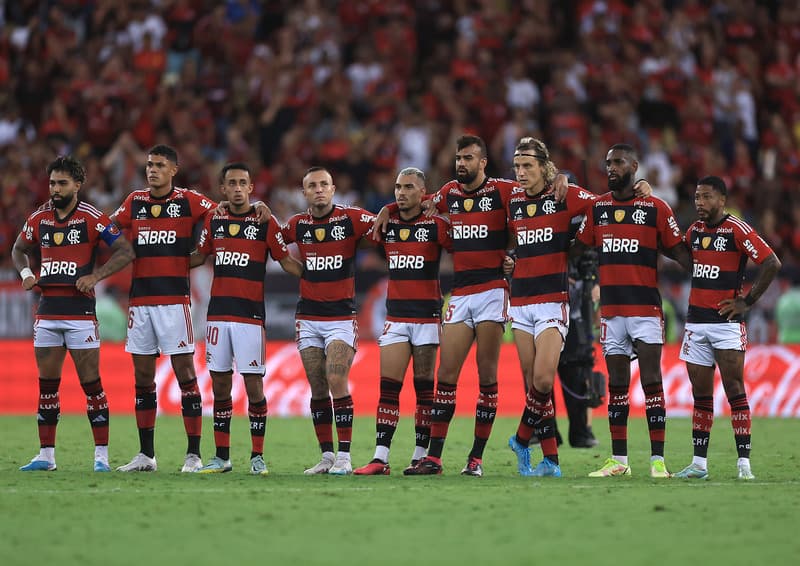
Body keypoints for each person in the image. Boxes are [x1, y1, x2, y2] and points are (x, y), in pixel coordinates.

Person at [377, 135, 568, 477]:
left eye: (468, 158)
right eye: (458, 158)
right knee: (446, 376)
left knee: (487, 377)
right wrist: (387, 208)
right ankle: (433, 459)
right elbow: (415, 201)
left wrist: (563, 179)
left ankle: (475, 459)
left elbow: (540, 189)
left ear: (482, 163)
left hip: (493, 291)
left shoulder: (503, 190)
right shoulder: (448, 193)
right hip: (461, 294)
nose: (461, 163)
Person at [112, 144, 267, 473]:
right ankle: (146, 456)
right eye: (149, 164)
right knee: (142, 378)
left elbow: (225, 211)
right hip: (140, 302)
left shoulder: (189, 200)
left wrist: (256, 207)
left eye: (159, 165)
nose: (151, 169)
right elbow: (107, 230)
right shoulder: (134, 202)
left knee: (186, 376)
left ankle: (193, 454)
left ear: (173, 170)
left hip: (175, 301)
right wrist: (119, 246)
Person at [502, 138, 652, 476]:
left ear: (544, 166)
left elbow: (604, 204)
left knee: (543, 380)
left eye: (527, 166)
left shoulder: (565, 195)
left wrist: (638, 186)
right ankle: (551, 461)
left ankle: (522, 438)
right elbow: (512, 242)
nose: (521, 173)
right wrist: (510, 259)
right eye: (517, 167)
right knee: (532, 385)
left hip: (553, 300)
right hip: (520, 300)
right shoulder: (511, 199)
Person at [574, 143, 692, 478]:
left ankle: (657, 460)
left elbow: (680, 253)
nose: (611, 167)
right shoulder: (597, 210)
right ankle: (619, 460)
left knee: (653, 382)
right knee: (617, 386)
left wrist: (711, 268)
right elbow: (575, 249)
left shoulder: (655, 208)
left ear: (634, 166)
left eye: (618, 162)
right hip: (611, 312)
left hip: (646, 310)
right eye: (608, 162)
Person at [12, 156, 135, 472]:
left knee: (91, 385)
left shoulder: (93, 218)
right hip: (47, 311)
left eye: (62, 183)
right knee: (47, 386)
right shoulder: (39, 218)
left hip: (80, 313)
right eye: (52, 182)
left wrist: (96, 276)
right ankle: (46, 456)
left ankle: (101, 458)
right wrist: (26, 273)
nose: (55, 189)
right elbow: (18, 249)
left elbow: (125, 250)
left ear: (78, 185)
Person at [190, 163, 303, 475]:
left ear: (251, 188)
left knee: (254, 386)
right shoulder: (215, 218)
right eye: (232, 183)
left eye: (243, 183)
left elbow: (287, 261)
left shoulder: (265, 221)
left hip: (250, 317)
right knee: (220, 386)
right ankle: (222, 457)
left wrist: (320, 277)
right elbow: (199, 256)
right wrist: (162, 260)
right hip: (217, 316)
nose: (238, 188)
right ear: (223, 189)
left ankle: (257, 457)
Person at [674, 176, 781, 480]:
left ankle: (743, 464)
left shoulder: (737, 229)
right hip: (696, 323)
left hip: (726, 325)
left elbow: (772, 262)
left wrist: (747, 301)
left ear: (722, 200)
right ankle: (698, 464)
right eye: (696, 197)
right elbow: (681, 256)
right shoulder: (694, 232)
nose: (699, 203)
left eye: (706, 197)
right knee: (701, 396)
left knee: (734, 389)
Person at [353, 167, 452, 476]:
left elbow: (464, 250)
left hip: (426, 317)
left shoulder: (436, 225)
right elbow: (356, 226)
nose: (401, 192)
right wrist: (387, 209)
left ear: (423, 192)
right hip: (395, 317)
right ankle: (380, 458)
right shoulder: (387, 223)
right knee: (388, 388)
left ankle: (420, 455)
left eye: (409, 187)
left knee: (424, 389)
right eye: (397, 187)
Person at [280, 166, 376, 475]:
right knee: (318, 386)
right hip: (307, 318)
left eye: (324, 184)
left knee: (336, 379)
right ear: (304, 192)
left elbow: (385, 224)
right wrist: (299, 270)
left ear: (333, 189)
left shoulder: (352, 218)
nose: (319, 189)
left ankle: (345, 456)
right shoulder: (297, 225)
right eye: (313, 185)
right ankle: (326, 457)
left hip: (341, 317)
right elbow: (273, 243)